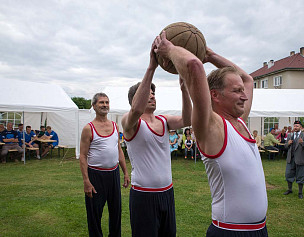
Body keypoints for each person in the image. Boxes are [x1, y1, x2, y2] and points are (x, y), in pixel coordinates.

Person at [154, 31, 268, 236]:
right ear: (214, 95)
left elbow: (248, 79)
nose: (244, 96)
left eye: (242, 91)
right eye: (236, 91)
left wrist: (210, 55)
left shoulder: (239, 121)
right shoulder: (211, 126)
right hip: (230, 232)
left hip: (259, 229)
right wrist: (169, 50)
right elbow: (194, 66)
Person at [121, 41, 192, 237]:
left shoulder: (164, 120)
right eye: (147, 93)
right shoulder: (130, 123)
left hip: (167, 193)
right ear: (135, 99)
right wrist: (152, 67)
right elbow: (136, 109)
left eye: (153, 93)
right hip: (143, 196)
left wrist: (184, 90)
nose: (151, 95)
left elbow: (187, 119)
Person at [79, 92, 129, 237]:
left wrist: (125, 172)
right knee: (94, 213)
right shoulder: (88, 128)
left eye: (107, 102)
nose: (105, 105)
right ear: (94, 106)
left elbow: (118, 149)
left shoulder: (114, 125)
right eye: (101, 102)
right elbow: (82, 156)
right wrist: (86, 181)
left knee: (116, 212)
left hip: (113, 174)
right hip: (96, 175)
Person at [283, 121, 304, 199]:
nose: (295, 127)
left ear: (300, 127)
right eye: (294, 126)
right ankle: (289, 189)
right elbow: (285, 146)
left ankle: (300, 192)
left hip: (300, 159)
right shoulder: (289, 135)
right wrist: (288, 143)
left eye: (297, 126)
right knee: (288, 174)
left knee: (301, 176)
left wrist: (302, 143)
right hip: (290, 159)